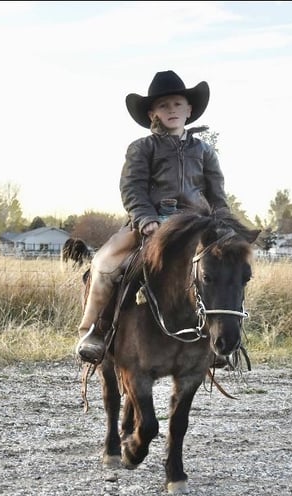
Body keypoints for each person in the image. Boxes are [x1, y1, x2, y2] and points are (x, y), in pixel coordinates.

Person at [76, 70, 231, 363]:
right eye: (163, 106)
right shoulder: (142, 148)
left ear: (189, 110)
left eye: (177, 104)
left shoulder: (205, 151)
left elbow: (217, 195)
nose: (171, 110)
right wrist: (145, 216)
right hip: (150, 224)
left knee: (226, 269)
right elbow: (132, 187)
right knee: (105, 265)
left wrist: (223, 225)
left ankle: (218, 339)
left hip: (195, 227)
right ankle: (94, 331)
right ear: (152, 113)